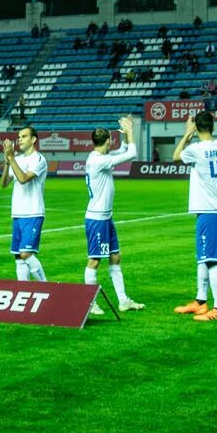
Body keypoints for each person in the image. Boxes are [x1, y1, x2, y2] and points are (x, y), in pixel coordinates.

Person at [83, 117, 142, 314]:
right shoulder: (99, 161)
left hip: (106, 217)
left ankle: (123, 300)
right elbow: (132, 153)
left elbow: (120, 151)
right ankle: (89, 303)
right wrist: (131, 131)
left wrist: (123, 135)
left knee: (115, 257)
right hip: (97, 218)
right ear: (108, 141)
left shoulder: (98, 157)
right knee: (94, 260)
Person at [175, 111, 217, 321]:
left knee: (213, 261)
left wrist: (187, 134)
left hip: (210, 210)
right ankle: (200, 301)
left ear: (196, 127)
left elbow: (176, 155)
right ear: (213, 127)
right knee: (203, 258)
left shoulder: (196, 150)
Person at [2, 125, 50, 282]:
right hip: (18, 213)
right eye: (19, 136)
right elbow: (4, 183)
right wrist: (7, 162)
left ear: (33, 139)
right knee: (18, 257)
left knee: (26, 253)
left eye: (24, 136)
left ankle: (46, 286)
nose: (19, 139)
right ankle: (24, 290)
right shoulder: (18, 159)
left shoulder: (39, 159)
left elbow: (23, 179)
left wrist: (11, 158)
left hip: (33, 212)